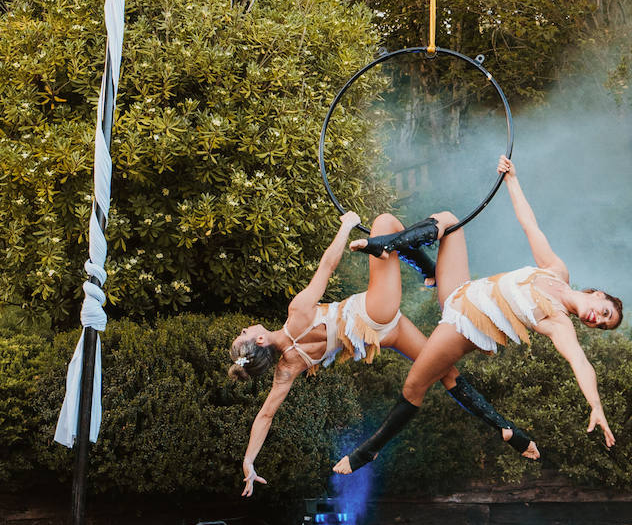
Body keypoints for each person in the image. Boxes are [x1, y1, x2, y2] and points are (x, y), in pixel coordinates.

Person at [334, 156, 622, 475]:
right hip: (460, 289)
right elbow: (530, 225)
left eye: (603, 325)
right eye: (605, 312)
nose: (598, 319)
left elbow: (580, 362)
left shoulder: (558, 322)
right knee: (450, 220)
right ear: (598, 294)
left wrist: (595, 405)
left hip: (463, 326)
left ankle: (370, 450)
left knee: (414, 387)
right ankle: (410, 259)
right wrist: (512, 179)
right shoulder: (557, 271)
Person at [229, 208, 539, 497]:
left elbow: (266, 414)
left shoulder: (287, 368)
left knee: (444, 372)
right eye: (243, 334)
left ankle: (509, 431)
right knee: (385, 224)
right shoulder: (295, 314)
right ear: (259, 342)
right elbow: (327, 265)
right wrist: (346, 227)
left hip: (383, 333)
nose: (244, 328)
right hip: (374, 310)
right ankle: (430, 272)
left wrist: (248, 462)